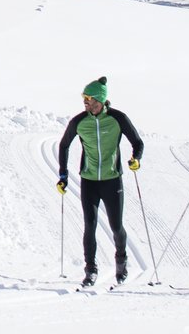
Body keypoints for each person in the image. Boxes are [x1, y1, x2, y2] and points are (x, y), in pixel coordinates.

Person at [57, 75, 145, 287]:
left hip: (112, 180)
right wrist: (63, 175)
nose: (86, 103)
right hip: (89, 181)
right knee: (90, 225)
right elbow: (64, 145)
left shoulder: (118, 118)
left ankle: (121, 262)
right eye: (84, 99)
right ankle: (90, 270)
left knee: (116, 226)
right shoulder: (79, 122)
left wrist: (135, 159)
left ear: (100, 100)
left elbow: (138, 142)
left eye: (89, 99)